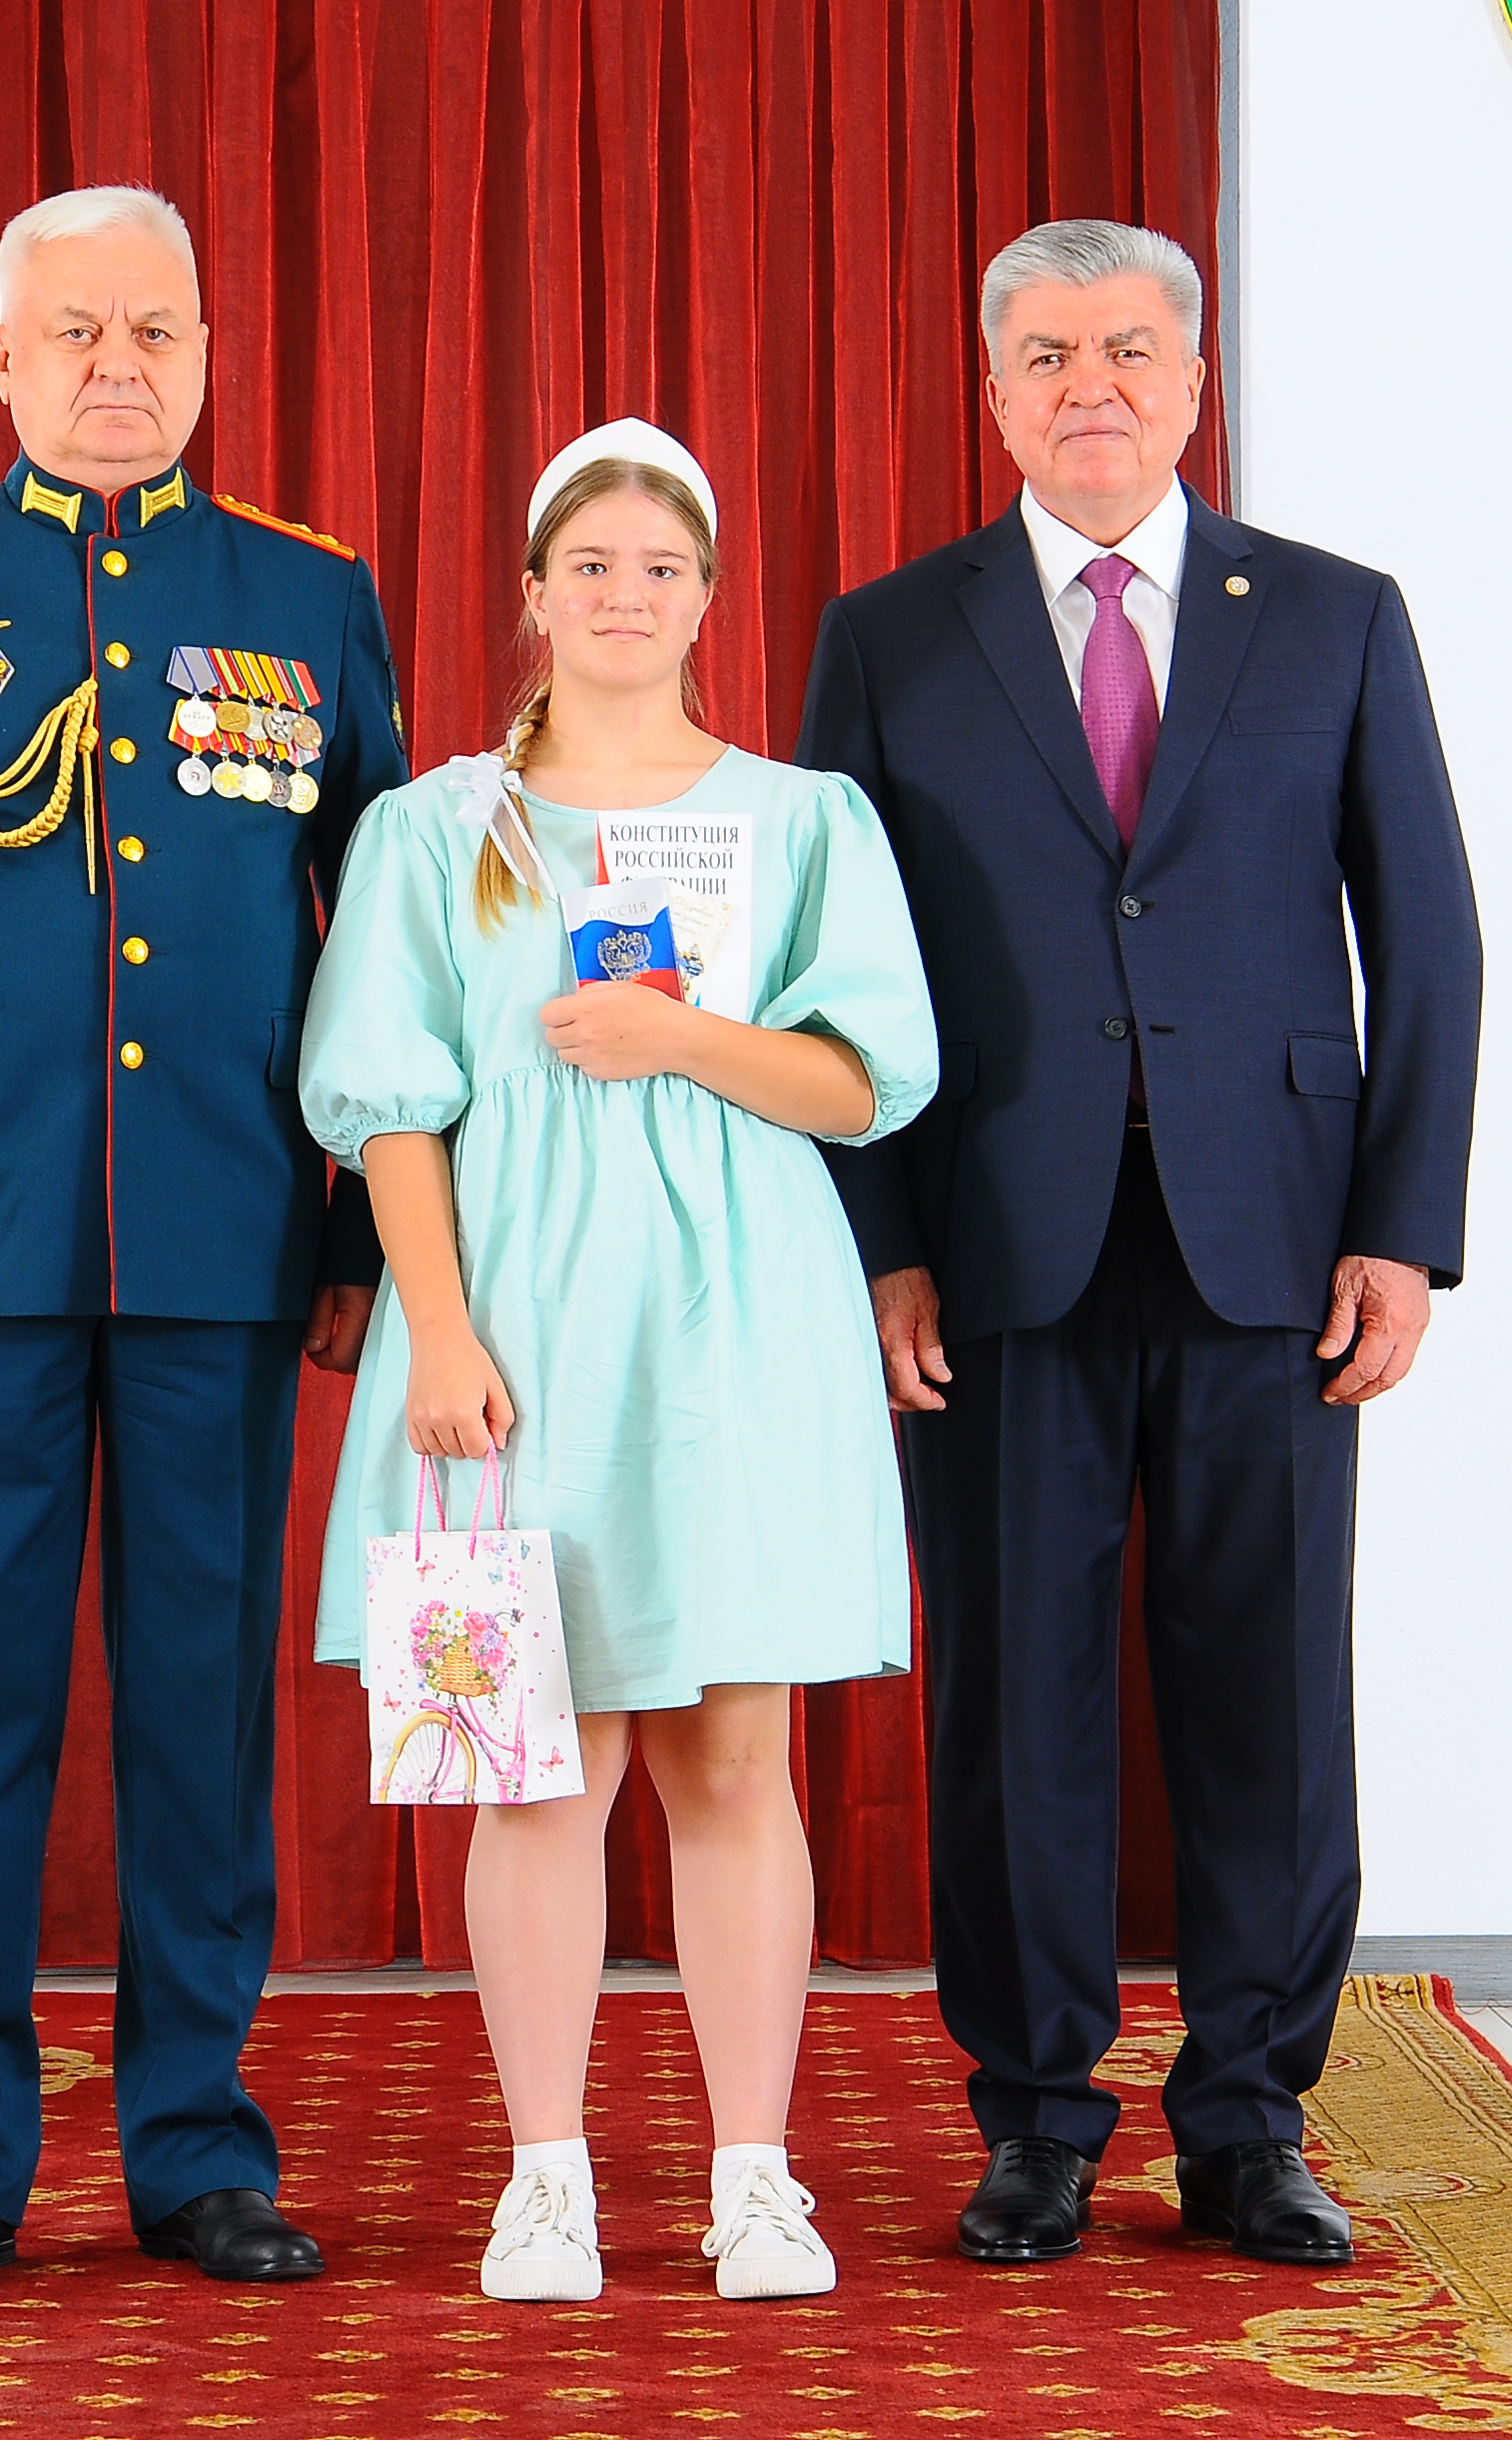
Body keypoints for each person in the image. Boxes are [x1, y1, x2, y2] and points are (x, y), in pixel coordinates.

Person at [797, 220, 1483, 2268]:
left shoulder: (1335, 617)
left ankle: (1250, 2115)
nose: (1084, 384)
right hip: (995, 1247)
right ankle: (1034, 2115)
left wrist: (1402, 1231)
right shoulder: (890, 635)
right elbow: (836, 964)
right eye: (1042, 353)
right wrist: (881, 1245)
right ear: (991, 393)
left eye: (1122, 350)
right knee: (1014, 1701)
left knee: (1270, 1691)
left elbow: (1428, 936)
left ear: (1191, 382)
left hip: (1272, 1243)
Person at [0, 183, 410, 2297]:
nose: (118, 367)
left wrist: (359, 1235)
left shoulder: (306, 594)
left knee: (201, 1713)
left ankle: (195, 2143)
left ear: (207, 353)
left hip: (226, 1219)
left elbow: (381, 947)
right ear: (2, 358)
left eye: (155, 332)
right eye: (77, 333)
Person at [300, 418, 938, 2305]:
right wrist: (436, 1329)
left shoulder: (804, 821)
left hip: (739, 1330)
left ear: (709, 600)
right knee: (535, 1766)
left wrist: (681, 1042)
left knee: (736, 1755)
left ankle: (757, 2176)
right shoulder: (438, 831)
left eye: (662, 568)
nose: (625, 596)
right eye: (590, 566)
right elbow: (388, 1104)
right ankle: (545, 2178)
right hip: (519, 1332)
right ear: (533, 594)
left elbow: (863, 1081)